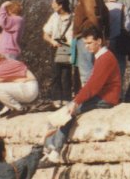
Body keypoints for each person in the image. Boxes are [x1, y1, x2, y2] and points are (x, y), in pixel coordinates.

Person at [44, 26, 121, 163]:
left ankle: (55, 150)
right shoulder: (101, 56)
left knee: (68, 113)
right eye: (85, 43)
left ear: (99, 41)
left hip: (106, 98)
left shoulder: (105, 58)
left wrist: (76, 101)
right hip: (100, 95)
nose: (87, 47)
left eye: (90, 43)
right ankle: (48, 148)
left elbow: (93, 85)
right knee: (58, 115)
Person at [73, 0, 109, 85]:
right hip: (91, 35)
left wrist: (96, 36)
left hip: (87, 35)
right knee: (90, 70)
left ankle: (89, 101)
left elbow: (92, 15)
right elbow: (105, 14)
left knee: (86, 72)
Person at [42, 0, 74, 106]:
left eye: (54, 3)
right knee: (55, 74)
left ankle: (66, 98)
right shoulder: (54, 17)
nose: (52, 5)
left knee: (66, 74)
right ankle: (56, 99)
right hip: (55, 47)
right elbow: (45, 34)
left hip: (68, 48)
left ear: (60, 5)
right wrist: (53, 42)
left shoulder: (73, 17)